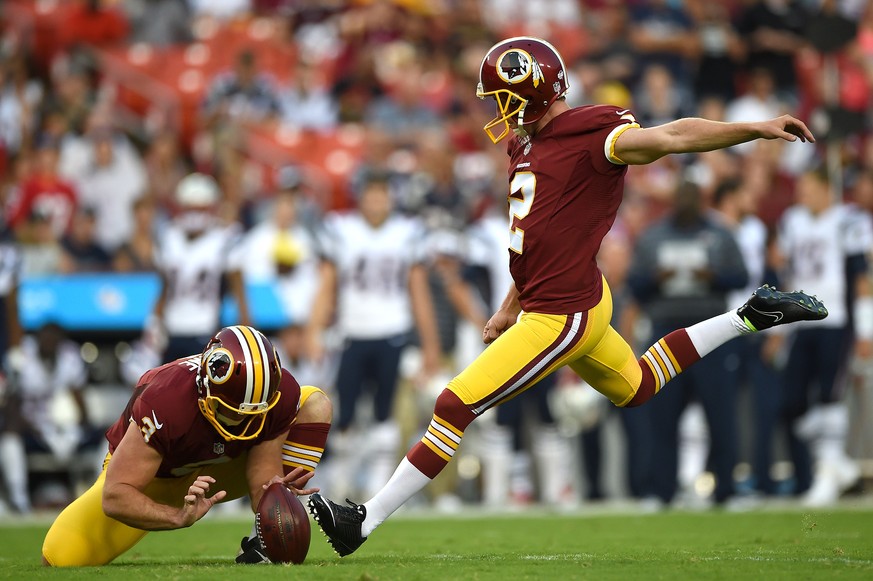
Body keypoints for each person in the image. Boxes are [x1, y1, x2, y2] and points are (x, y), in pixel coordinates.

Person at [307, 36, 825, 557]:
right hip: (567, 298)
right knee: (638, 386)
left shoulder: (592, 135)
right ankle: (749, 316)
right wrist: (510, 304)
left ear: (531, 93)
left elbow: (671, 137)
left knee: (452, 404)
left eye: (503, 97)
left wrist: (753, 129)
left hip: (562, 313)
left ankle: (364, 520)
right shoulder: (525, 144)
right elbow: (537, 236)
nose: (497, 110)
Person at [41, 325, 333, 566]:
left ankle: (261, 546)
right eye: (231, 412)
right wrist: (177, 515)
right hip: (155, 478)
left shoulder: (279, 394)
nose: (242, 424)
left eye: (254, 414)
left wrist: (276, 503)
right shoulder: (165, 402)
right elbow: (116, 495)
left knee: (314, 403)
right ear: (206, 388)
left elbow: (261, 480)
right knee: (61, 555)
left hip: (217, 470)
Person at [627, 179, 748, 507]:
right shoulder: (653, 236)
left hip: (709, 331)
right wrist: (656, 279)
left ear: (701, 199)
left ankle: (726, 491)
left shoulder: (721, 233)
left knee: (720, 415)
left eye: (691, 197)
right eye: (680, 196)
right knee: (662, 415)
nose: (685, 202)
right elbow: (634, 283)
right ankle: (661, 491)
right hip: (666, 331)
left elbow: (741, 276)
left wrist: (713, 277)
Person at [774, 166, 872, 506]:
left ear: (827, 188)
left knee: (830, 396)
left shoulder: (848, 220)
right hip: (801, 322)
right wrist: (779, 324)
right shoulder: (793, 220)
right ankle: (837, 464)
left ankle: (828, 473)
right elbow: (786, 272)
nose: (803, 193)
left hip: (836, 319)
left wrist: (865, 327)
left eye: (809, 187)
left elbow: (861, 278)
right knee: (792, 404)